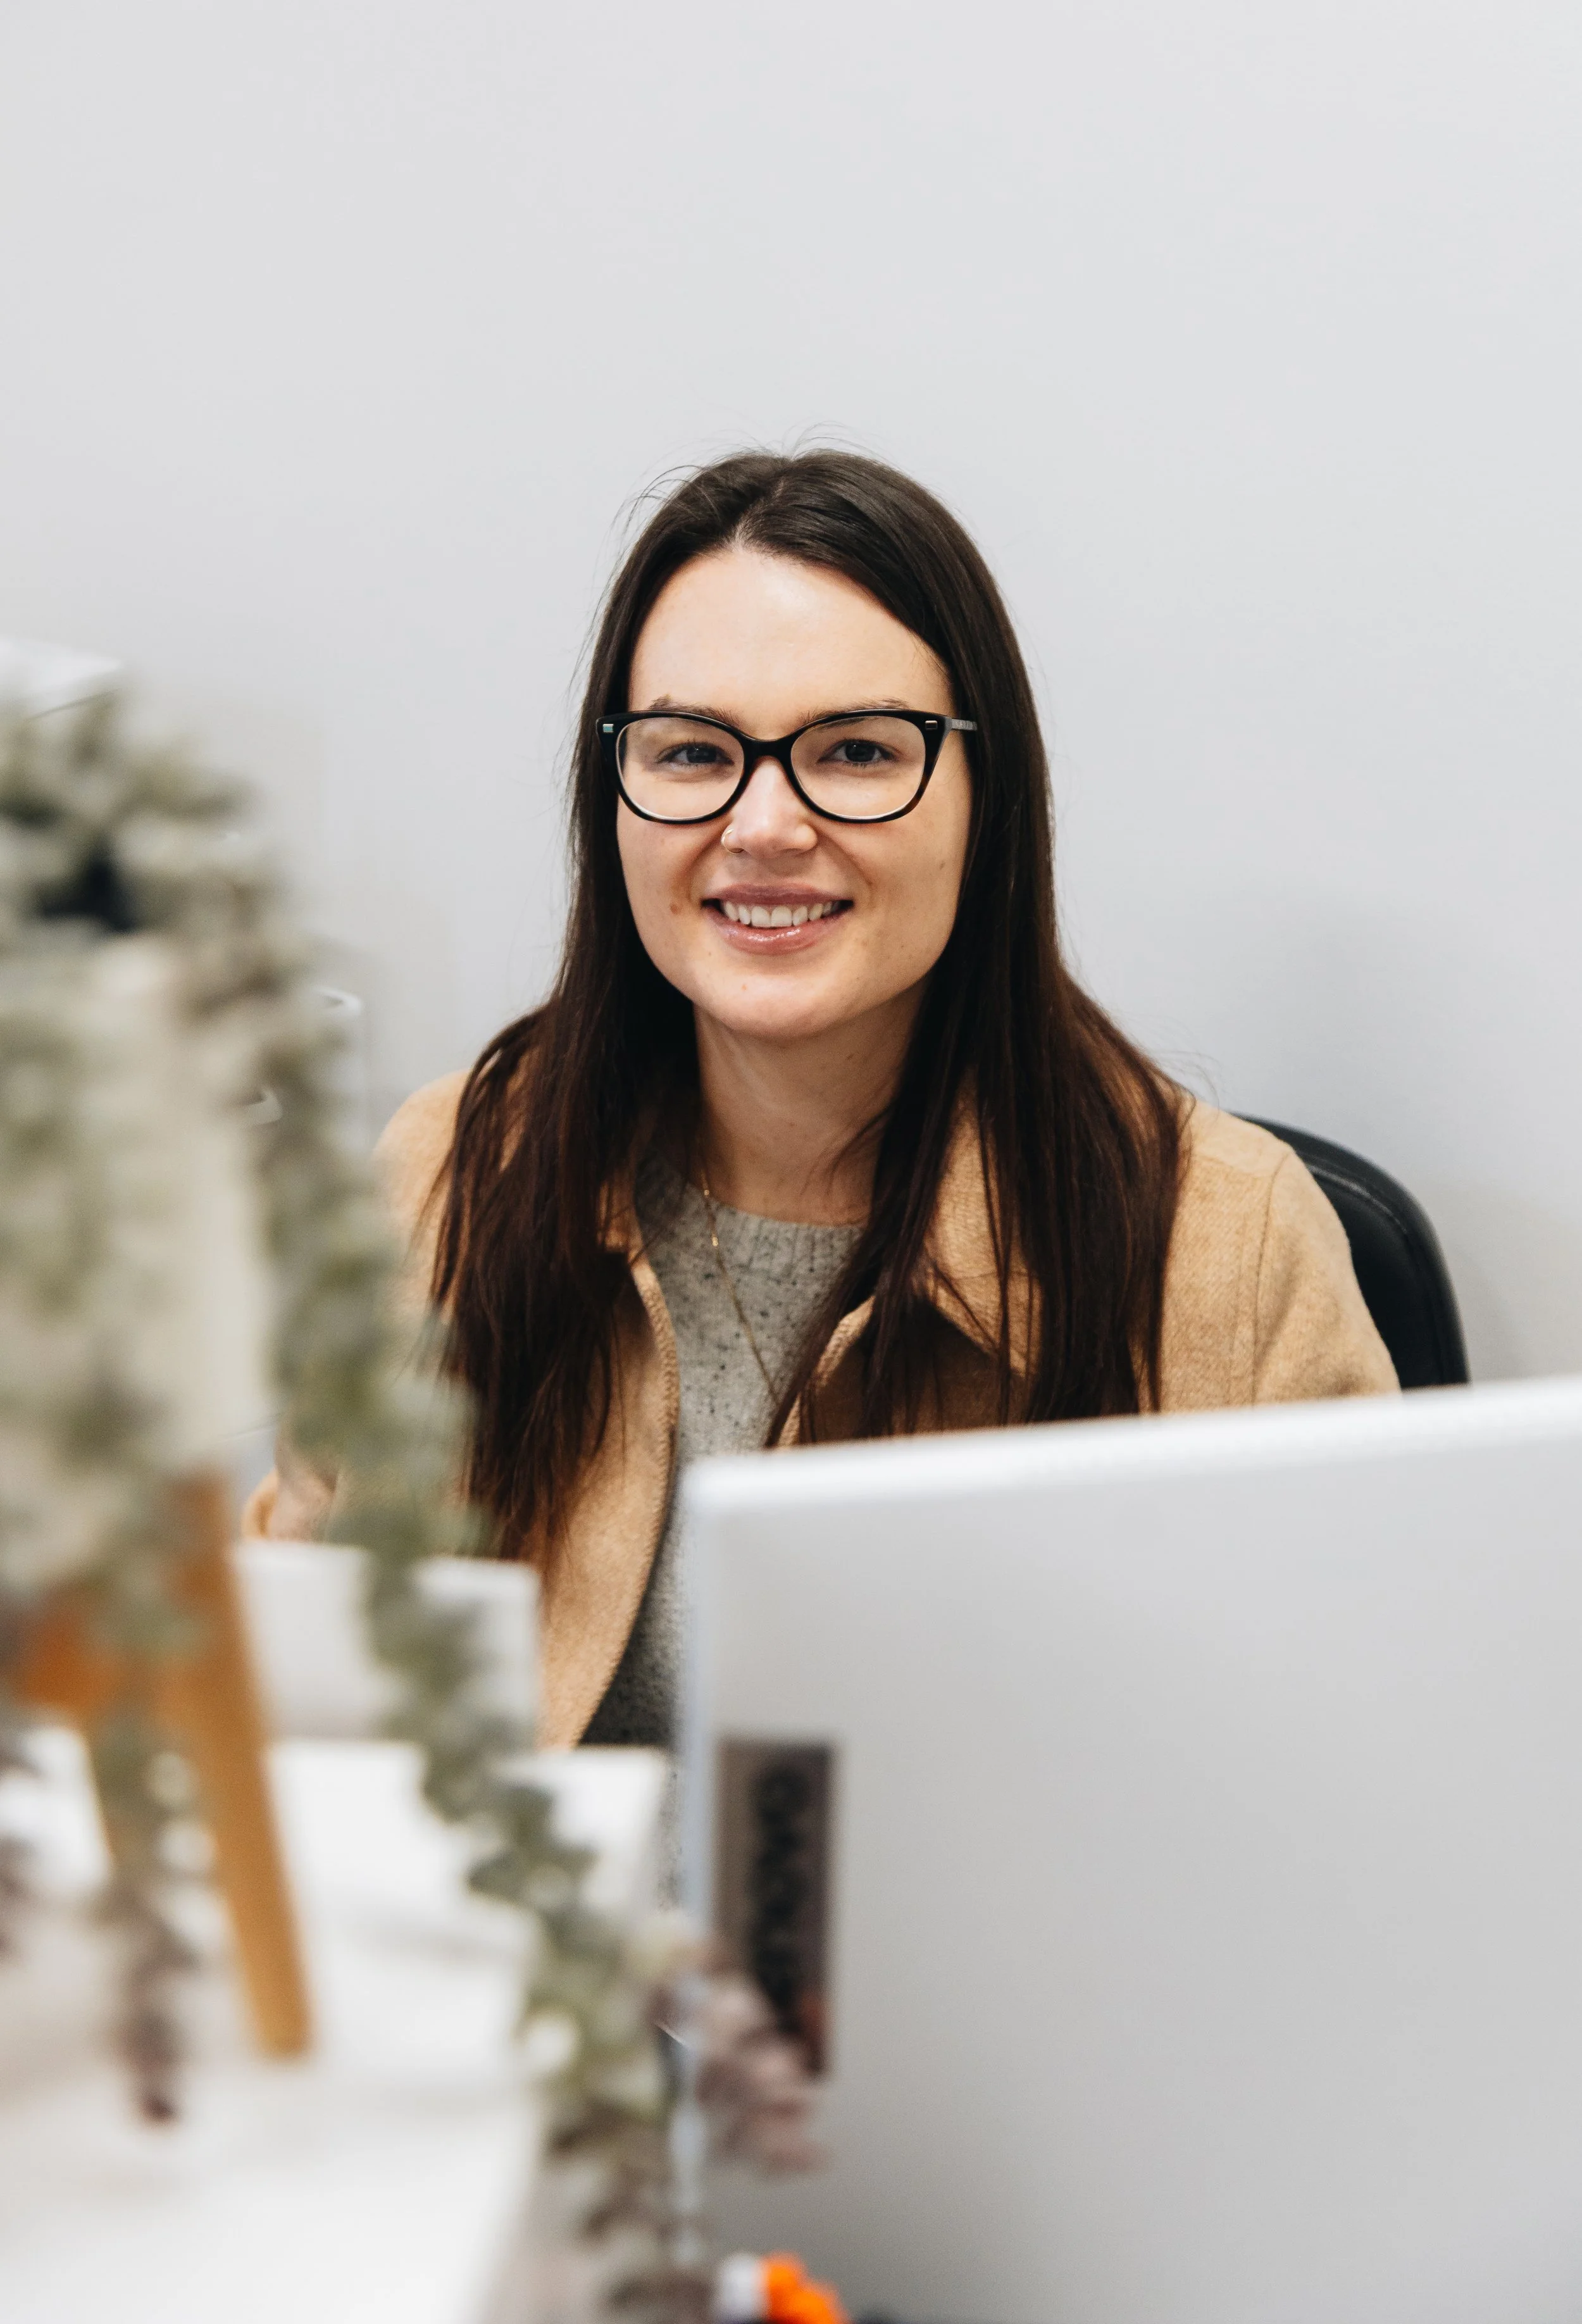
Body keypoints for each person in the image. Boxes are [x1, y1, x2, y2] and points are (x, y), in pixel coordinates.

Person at [246, 450, 1396, 1751]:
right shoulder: (449, 1169)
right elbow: (287, 1721)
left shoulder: (1228, 1256)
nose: (763, 823)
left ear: (986, 797)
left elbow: (1347, 1786)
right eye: (690, 753)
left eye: (853, 751)